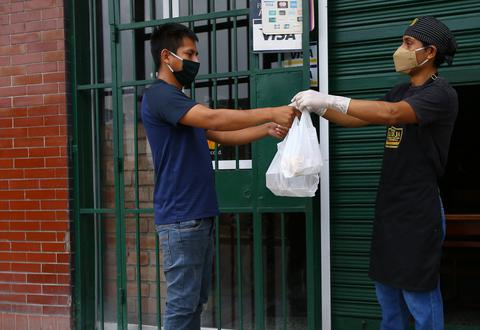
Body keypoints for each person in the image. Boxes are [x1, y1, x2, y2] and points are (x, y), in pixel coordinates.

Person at [292, 16, 458, 330]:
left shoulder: (441, 95)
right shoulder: (400, 90)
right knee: (387, 292)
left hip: (419, 208)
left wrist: (330, 98)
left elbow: (391, 114)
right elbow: (357, 119)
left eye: (408, 43)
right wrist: (316, 107)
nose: (400, 49)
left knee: (418, 291)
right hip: (390, 205)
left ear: (430, 51)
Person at [141, 23, 295, 330]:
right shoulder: (161, 96)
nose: (195, 60)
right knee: (182, 305)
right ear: (166, 56)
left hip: (198, 215)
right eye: (189, 53)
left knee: (194, 303)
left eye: (197, 53)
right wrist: (270, 112)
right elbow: (212, 117)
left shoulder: (179, 101)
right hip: (182, 218)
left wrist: (264, 130)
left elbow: (219, 133)